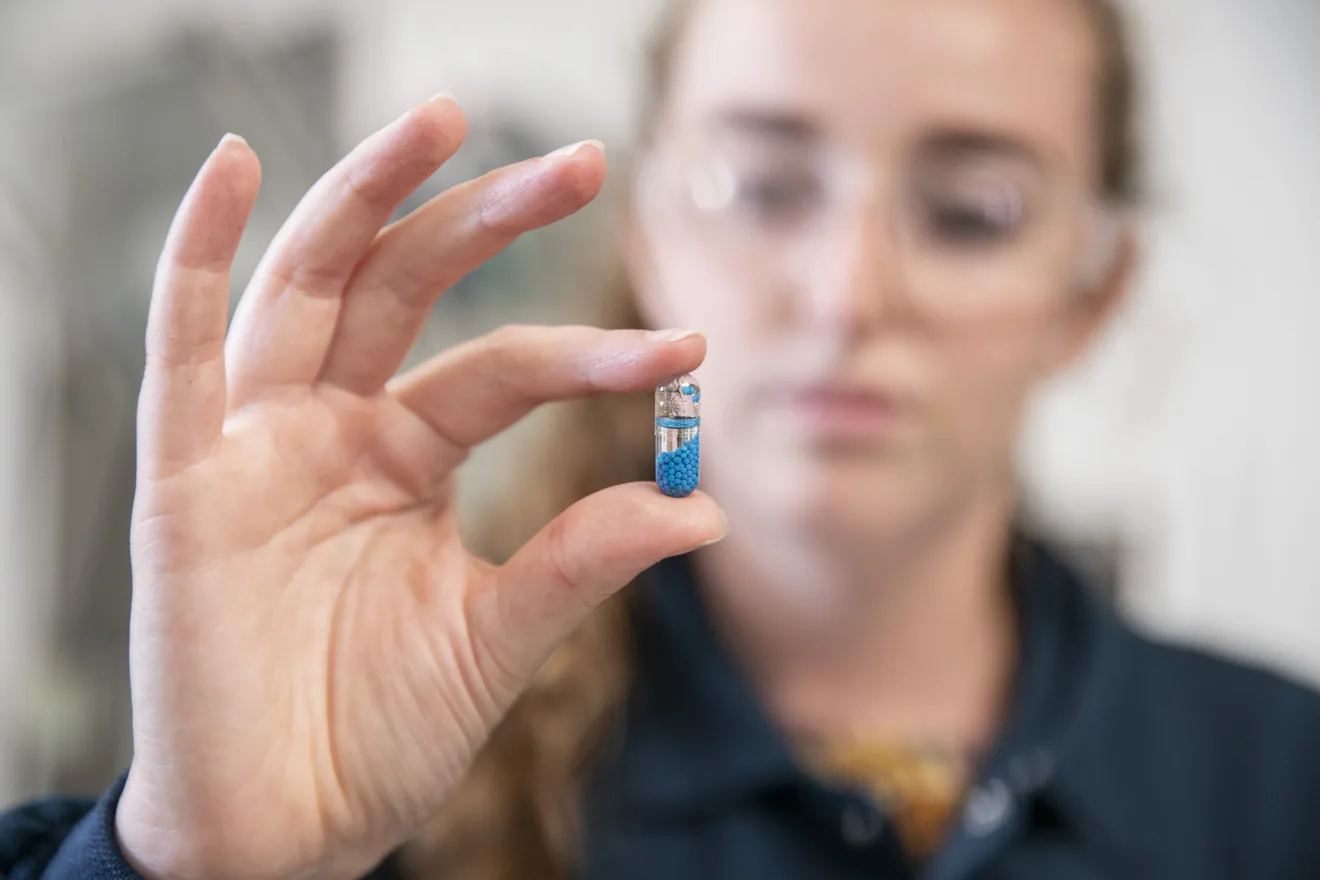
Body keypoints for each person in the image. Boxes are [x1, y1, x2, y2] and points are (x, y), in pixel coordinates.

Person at [4, 0, 1320, 877]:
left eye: (972, 208)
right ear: (648, 238)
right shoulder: (398, 776)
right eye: (759, 185)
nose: (849, 294)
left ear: (1090, 292)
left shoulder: (1278, 785)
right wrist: (192, 862)